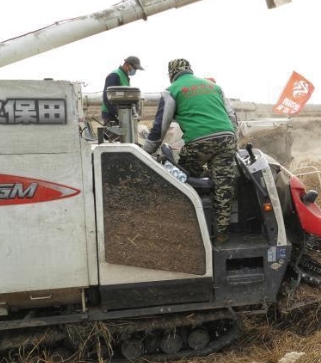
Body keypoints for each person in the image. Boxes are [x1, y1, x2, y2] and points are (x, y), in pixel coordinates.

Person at [142, 59, 239, 244]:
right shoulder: (214, 87)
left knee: (180, 178)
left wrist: (145, 153)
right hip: (227, 138)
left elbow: (159, 129)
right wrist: (233, 140)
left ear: (171, 74)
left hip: (199, 142)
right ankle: (221, 235)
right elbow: (232, 116)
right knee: (224, 186)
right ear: (190, 70)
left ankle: (188, 229)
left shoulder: (172, 91)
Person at [101, 56, 144, 124]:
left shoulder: (125, 77)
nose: (135, 71)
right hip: (111, 116)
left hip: (122, 114)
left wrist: (133, 113)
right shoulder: (114, 75)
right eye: (134, 68)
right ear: (127, 65)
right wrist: (118, 114)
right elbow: (107, 98)